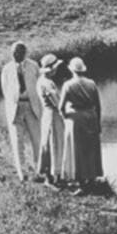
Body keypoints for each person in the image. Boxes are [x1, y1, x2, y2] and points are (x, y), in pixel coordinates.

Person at [0, 41, 43, 182]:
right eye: (14, 52)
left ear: (25, 53)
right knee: (17, 141)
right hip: (15, 108)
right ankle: (22, 172)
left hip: (31, 106)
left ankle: (39, 171)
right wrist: (13, 104)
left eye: (19, 52)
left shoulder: (34, 66)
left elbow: (40, 86)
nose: (16, 55)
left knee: (37, 139)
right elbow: (5, 90)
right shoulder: (6, 69)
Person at [58, 57, 103, 190]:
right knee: (91, 148)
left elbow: (61, 107)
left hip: (76, 118)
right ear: (83, 70)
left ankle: (80, 179)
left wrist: (66, 118)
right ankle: (92, 177)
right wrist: (98, 122)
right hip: (91, 117)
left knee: (78, 149)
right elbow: (98, 106)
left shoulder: (68, 85)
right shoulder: (92, 84)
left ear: (71, 70)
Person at [36, 53, 66, 183]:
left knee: (47, 143)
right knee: (56, 143)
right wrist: (66, 113)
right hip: (53, 115)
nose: (56, 70)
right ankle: (55, 176)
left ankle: (49, 174)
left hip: (46, 114)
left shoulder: (42, 81)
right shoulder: (47, 83)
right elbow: (57, 102)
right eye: (55, 68)